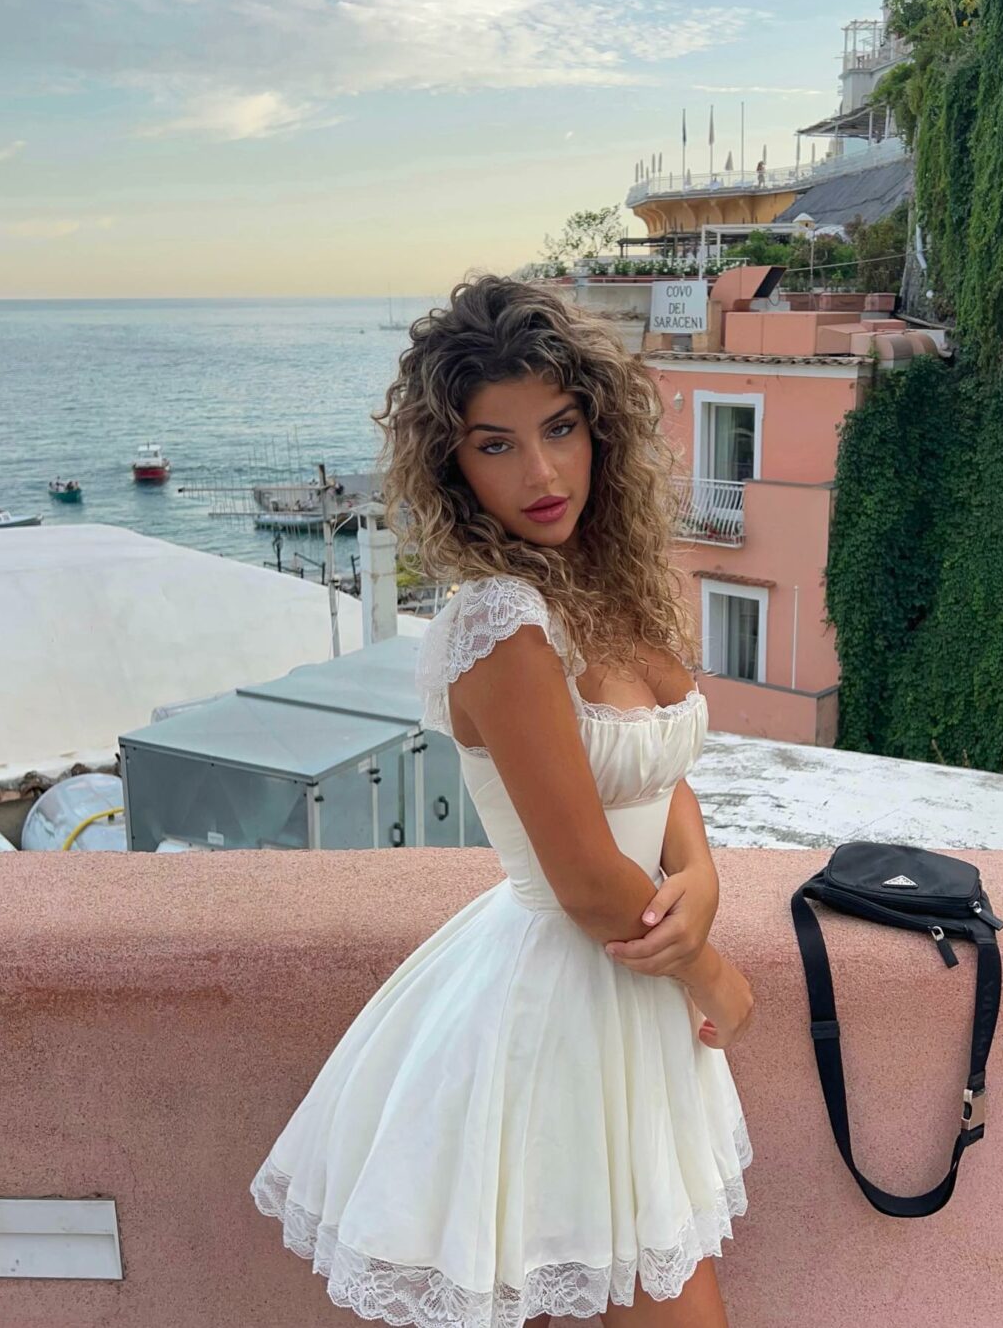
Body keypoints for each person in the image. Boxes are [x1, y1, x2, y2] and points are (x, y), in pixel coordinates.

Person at [249, 274, 755, 1328]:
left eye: (560, 427)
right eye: (496, 444)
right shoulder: (503, 623)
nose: (541, 472)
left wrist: (702, 873)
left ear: (600, 427)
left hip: (629, 988)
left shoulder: (609, 585)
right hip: (564, 1003)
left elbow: (655, 771)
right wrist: (713, 973)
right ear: (453, 464)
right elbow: (584, 877)